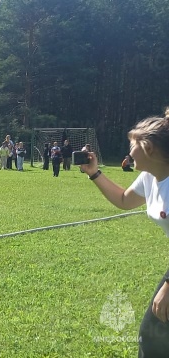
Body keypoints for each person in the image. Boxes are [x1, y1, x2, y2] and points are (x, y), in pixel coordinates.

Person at [80, 109, 169, 357]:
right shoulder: (150, 177)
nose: (129, 151)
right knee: (153, 337)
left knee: (153, 338)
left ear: (148, 148)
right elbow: (123, 200)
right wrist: (94, 173)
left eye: (133, 144)